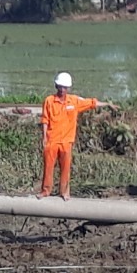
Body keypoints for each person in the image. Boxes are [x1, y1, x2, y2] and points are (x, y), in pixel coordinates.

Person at [38, 72, 112, 201]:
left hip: (66, 141)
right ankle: (45, 191)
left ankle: (65, 192)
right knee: (48, 167)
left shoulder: (74, 101)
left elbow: (91, 103)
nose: (62, 90)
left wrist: (107, 104)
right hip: (52, 140)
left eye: (65, 87)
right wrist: (44, 137)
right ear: (56, 86)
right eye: (60, 87)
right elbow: (45, 120)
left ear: (68, 88)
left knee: (66, 168)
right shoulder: (49, 101)